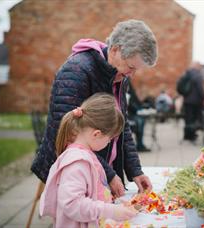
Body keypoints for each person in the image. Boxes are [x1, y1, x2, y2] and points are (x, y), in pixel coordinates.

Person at [31, 19, 158, 198]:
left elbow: (121, 126)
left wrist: (135, 170)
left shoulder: (120, 76)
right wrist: (109, 174)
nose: (131, 74)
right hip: (74, 171)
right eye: (131, 67)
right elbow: (69, 133)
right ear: (115, 50)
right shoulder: (76, 71)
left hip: (100, 170)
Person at [39, 93, 138, 227]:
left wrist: (107, 198)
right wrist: (111, 211)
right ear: (96, 134)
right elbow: (72, 204)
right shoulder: (77, 162)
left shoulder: (86, 154)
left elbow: (90, 192)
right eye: (109, 139)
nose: (108, 143)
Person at [182, 61, 204, 141]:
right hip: (195, 101)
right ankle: (192, 135)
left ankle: (187, 135)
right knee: (194, 119)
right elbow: (200, 89)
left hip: (187, 100)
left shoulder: (187, 73)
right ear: (197, 66)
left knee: (188, 118)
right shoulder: (197, 75)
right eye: (200, 66)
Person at [127, 81, 150, 152]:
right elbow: (130, 103)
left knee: (141, 120)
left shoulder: (128, 83)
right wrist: (137, 110)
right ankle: (139, 144)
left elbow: (134, 99)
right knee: (139, 121)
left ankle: (140, 144)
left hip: (131, 113)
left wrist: (141, 108)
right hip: (127, 115)